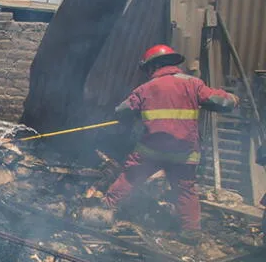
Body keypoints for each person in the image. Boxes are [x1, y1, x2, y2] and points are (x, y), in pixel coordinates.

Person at [102, 45, 239, 244]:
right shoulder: (193, 84)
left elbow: (122, 110)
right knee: (186, 189)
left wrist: (127, 116)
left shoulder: (145, 89)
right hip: (184, 152)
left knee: (130, 177)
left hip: (151, 151)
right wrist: (233, 99)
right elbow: (221, 101)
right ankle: (191, 233)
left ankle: (102, 211)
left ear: (153, 66)